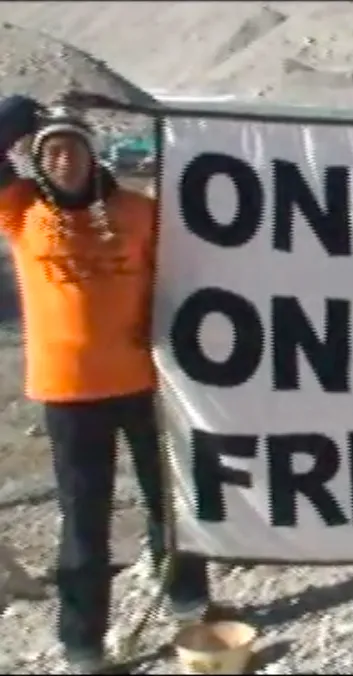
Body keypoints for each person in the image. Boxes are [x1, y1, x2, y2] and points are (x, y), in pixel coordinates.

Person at [0, 94, 212, 673]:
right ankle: (83, 642)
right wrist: (23, 112)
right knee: (84, 519)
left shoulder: (140, 212)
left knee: (169, 503)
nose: (64, 160)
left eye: (73, 148)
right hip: (69, 395)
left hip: (148, 381)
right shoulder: (20, 211)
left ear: (93, 155)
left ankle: (190, 603)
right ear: (38, 161)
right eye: (52, 151)